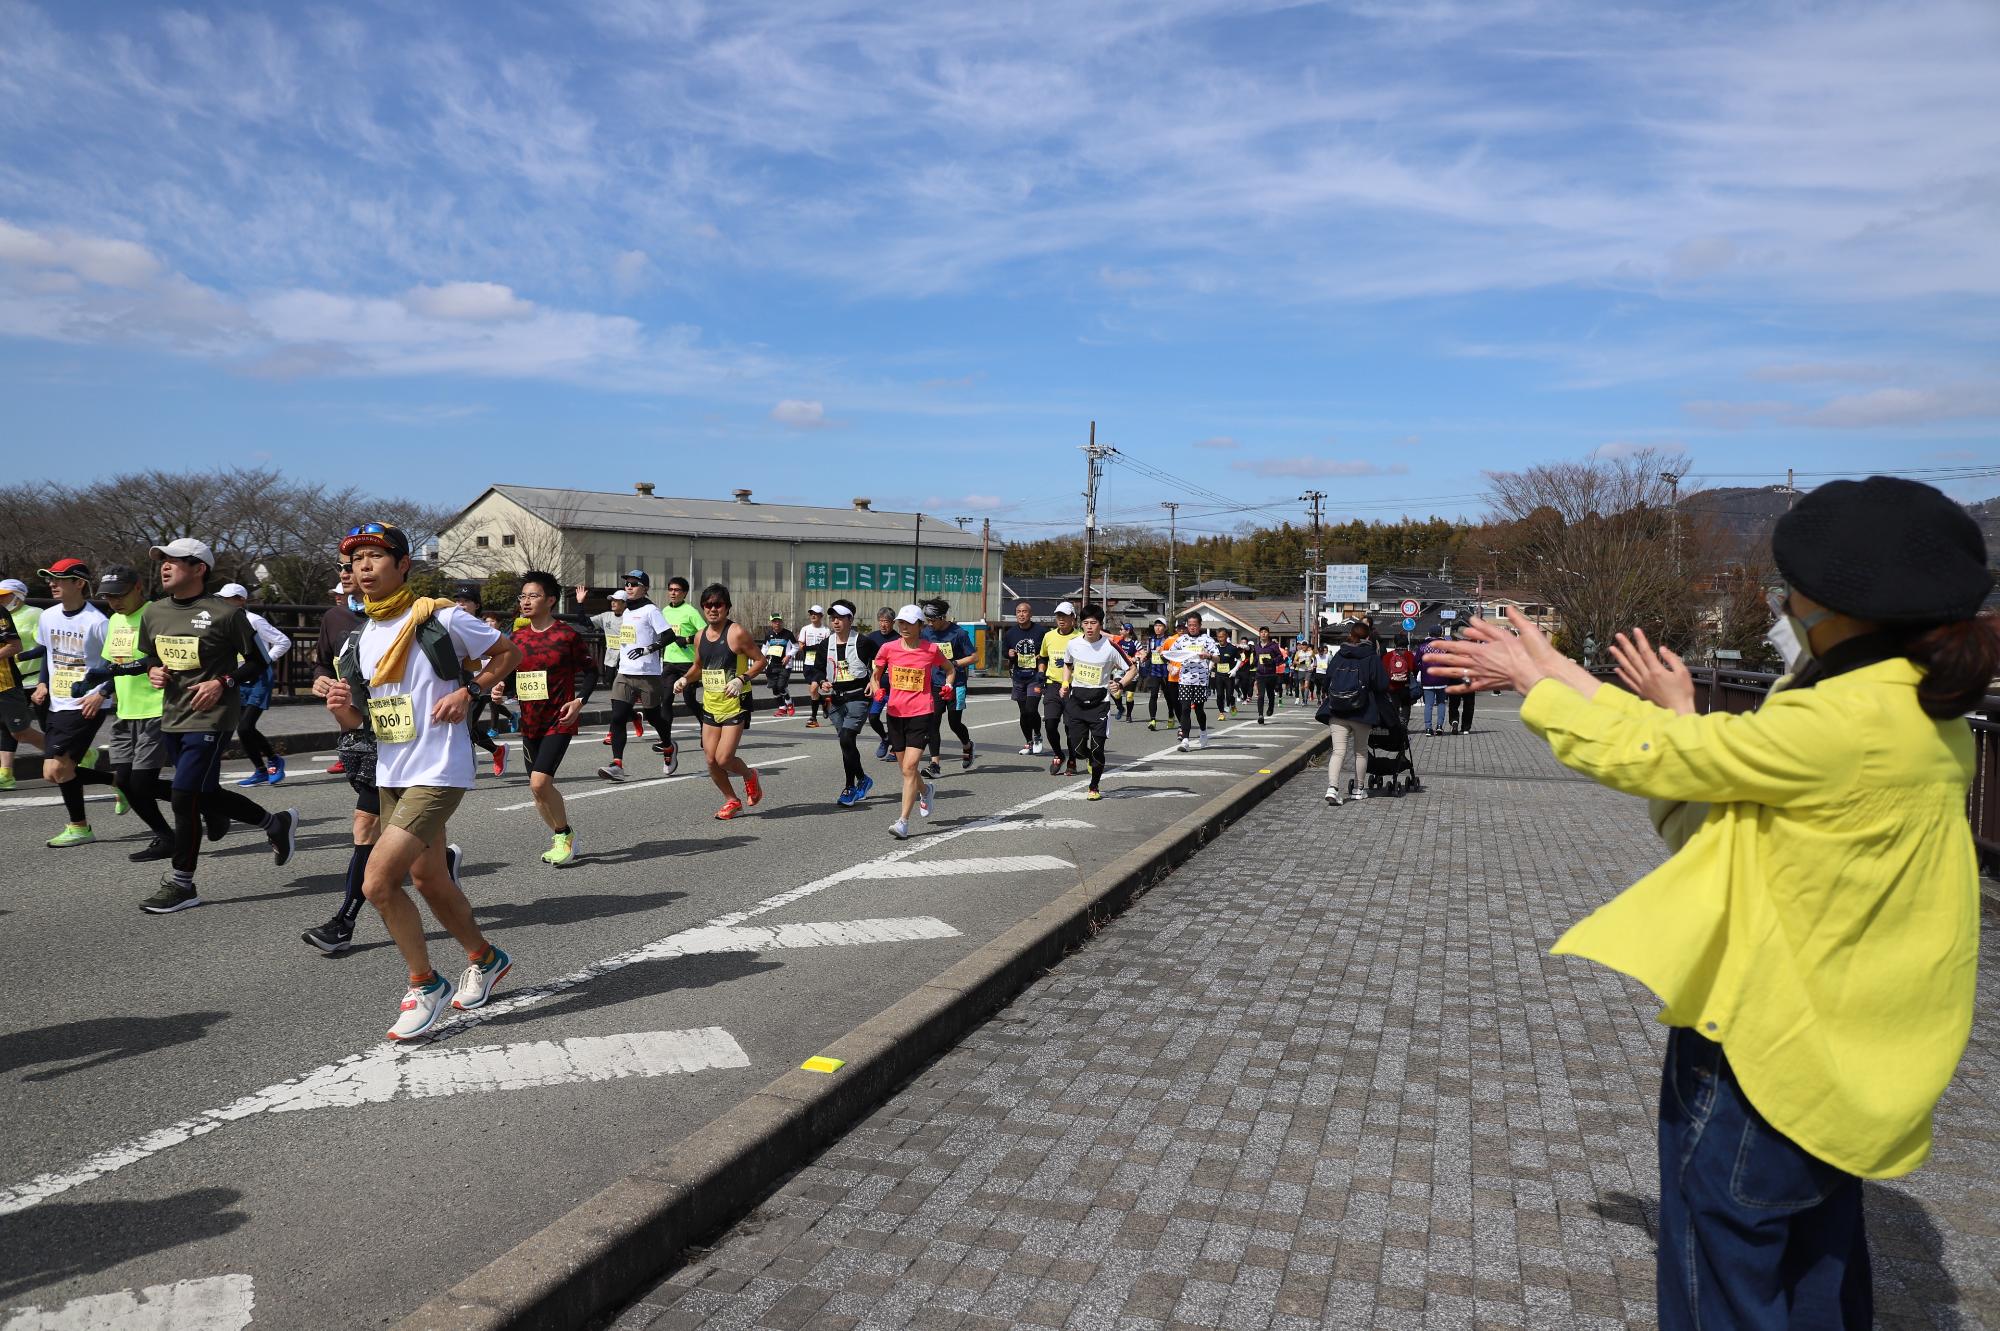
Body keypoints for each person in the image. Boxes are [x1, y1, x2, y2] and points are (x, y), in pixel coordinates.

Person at [1428, 476, 1994, 1331]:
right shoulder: (1916, 713)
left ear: (1835, 607)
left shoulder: (1841, 723)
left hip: (1767, 1052)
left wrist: (1536, 685)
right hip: (1845, 1066)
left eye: (1791, 589)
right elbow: (1700, 766)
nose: (1781, 604)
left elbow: (1660, 756)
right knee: (1818, 1274)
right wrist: (1573, 678)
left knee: (1724, 1284)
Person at [324, 521, 519, 1038]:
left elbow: (508, 653)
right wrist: (342, 707)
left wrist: (469, 693)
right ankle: (486, 957)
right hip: (392, 770)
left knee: (378, 882)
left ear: (403, 564)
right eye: (356, 560)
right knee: (428, 878)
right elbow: (362, 721)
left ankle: (425, 983)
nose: (364, 568)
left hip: (439, 768)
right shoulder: (361, 638)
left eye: (376, 557)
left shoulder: (440, 617)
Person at [136, 538, 298, 913]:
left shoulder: (225, 614)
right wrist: (153, 670)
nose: (164, 566)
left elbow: (258, 661)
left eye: (174, 561)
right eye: (162, 560)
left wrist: (222, 682)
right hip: (174, 714)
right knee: (201, 794)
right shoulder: (154, 612)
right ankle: (275, 823)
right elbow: (148, 656)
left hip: (214, 716)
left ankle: (182, 883)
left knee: (184, 796)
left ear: (198, 568)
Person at [491, 571, 596, 864]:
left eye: (533, 596)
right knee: (538, 790)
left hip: (559, 719)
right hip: (530, 721)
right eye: (522, 596)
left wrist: (579, 701)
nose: (525, 601)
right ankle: (563, 836)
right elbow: (512, 675)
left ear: (550, 600)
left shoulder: (566, 635)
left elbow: (591, 672)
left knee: (539, 783)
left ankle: (563, 835)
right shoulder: (517, 637)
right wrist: (501, 688)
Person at [303, 560, 380, 955]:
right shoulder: (335, 616)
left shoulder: (411, 615)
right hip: (355, 733)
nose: (349, 571)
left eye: (360, 563)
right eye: (343, 565)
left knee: (365, 823)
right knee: (417, 834)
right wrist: (319, 677)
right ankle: (439, 864)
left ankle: (344, 921)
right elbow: (322, 659)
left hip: (399, 736)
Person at [32, 558, 117, 848]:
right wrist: (43, 681)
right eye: (50, 579)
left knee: (59, 769)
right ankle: (120, 784)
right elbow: (48, 652)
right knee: (52, 773)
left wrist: (102, 692)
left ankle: (79, 827)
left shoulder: (98, 622)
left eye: (60, 579)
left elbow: (118, 664)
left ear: (79, 583)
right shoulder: (49, 616)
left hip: (85, 703)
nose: (52, 584)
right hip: (54, 701)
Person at [95, 565, 176, 859]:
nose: (114, 602)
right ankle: (176, 828)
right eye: (108, 596)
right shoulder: (115, 619)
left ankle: (174, 833)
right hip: (125, 712)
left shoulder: (157, 614)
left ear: (138, 587)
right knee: (127, 783)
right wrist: (100, 691)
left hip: (157, 707)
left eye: (120, 595)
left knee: (142, 782)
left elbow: (156, 659)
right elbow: (111, 665)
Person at [671, 583, 768, 819]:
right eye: (708, 605)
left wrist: (741, 679)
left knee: (724, 758)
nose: (713, 609)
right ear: (703, 608)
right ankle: (732, 800)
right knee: (711, 760)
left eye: (718, 604)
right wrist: (684, 679)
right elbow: (697, 667)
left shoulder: (736, 633)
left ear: (727, 607)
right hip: (711, 704)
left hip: (735, 703)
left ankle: (749, 775)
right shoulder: (700, 636)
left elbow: (760, 661)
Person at [868, 604, 954, 839]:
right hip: (895, 714)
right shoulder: (888, 648)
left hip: (921, 713)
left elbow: (949, 669)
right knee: (906, 770)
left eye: (909, 623)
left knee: (909, 768)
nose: (904, 627)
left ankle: (903, 822)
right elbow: (875, 675)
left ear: (920, 625)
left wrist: (948, 685)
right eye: (901, 623)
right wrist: (877, 690)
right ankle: (926, 791)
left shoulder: (930, 649)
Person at [214, 583, 295, 787]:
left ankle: (273, 760)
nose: (225, 602)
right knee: (243, 727)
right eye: (222, 598)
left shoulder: (254, 620)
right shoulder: (223, 621)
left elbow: (283, 641)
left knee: (245, 727)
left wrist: (265, 660)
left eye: (229, 598)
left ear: (242, 600)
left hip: (258, 678)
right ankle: (260, 770)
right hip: (239, 677)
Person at [596, 570, 673, 781]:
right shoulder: (626, 611)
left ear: (645, 588)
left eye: (634, 584)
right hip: (625, 672)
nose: (629, 587)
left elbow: (669, 635)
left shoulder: (651, 610)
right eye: (627, 584)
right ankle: (617, 764)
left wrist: (647, 649)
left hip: (648, 674)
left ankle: (668, 746)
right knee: (618, 717)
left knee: (653, 717)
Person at [1060, 605, 1138, 800]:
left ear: (1100, 625)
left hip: (1099, 704)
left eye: (1093, 623)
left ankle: (1094, 787)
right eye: (1085, 623)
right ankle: (1086, 758)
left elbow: (1132, 669)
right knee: (1077, 748)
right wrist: (1064, 683)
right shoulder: (1073, 644)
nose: (1089, 627)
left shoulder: (1110, 647)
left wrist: (1120, 684)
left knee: (1097, 748)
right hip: (1076, 702)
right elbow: (1068, 665)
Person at [1320, 620, 1394, 806]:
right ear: (1368, 637)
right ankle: (1358, 790)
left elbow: (1327, 678)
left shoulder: (1340, 654)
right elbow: (1382, 684)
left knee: (1338, 752)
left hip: (1337, 709)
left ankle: (1332, 788)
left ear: (1350, 635)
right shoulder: (1371, 656)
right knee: (1361, 751)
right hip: (1363, 710)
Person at [822, 600, 880, 806]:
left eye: (839, 618)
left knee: (847, 738)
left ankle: (850, 787)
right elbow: (816, 668)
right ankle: (863, 779)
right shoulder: (826, 643)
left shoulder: (863, 642)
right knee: (847, 744)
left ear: (850, 619)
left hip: (858, 697)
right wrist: (822, 681)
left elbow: (880, 661)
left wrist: (875, 679)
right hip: (836, 700)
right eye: (832, 618)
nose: (835, 622)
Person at [652, 575, 704, 774]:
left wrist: (689, 639)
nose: (673, 593)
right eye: (671, 589)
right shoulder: (663, 611)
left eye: (677, 590)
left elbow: (705, 632)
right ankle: (665, 740)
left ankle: (704, 728)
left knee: (690, 700)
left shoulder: (690, 611)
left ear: (684, 593)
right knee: (665, 700)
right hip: (669, 662)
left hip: (688, 664)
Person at [921, 598, 975, 776]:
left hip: (955, 684)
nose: (930, 624)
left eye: (932, 620)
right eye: (927, 620)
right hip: (934, 684)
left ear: (942, 617)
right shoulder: (927, 633)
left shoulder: (958, 633)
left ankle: (967, 745)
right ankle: (935, 764)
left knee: (954, 722)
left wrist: (954, 664)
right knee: (932, 722)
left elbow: (974, 657)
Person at [0, 588, 47, 793]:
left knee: (20, 732)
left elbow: (15, 646)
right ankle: (6, 775)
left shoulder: (1, 612)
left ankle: (72, 755)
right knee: (7, 730)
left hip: (6, 683)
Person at [1161, 612, 1218, 751]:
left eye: (1195, 625)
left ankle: (1203, 732)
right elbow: (1168, 654)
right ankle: (1185, 740)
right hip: (1185, 678)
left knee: (1199, 709)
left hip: (1200, 679)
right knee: (1185, 709)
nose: (1192, 628)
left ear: (1200, 625)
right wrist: (1169, 664)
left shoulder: (1207, 639)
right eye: (1190, 625)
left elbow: (1218, 658)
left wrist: (1208, 655)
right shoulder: (1182, 640)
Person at [1035, 602, 1081, 774]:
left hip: (1073, 687)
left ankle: (1073, 760)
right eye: (1058, 616)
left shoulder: (1080, 637)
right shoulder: (1049, 636)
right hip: (1052, 685)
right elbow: (1043, 657)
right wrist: (1041, 672)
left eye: (1065, 616)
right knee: (1050, 723)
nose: (1061, 619)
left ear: (1073, 618)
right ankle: (1058, 754)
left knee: (1070, 727)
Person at [999, 601, 1044, 756]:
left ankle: (1037, 735)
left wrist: (1041, 656)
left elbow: (1047, 651)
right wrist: (1009, 653)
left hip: (1035, 676)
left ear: (1030, 614)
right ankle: (1029, 742)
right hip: (1018, 676)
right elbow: (1004, 651)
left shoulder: (1040, 631)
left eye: (1024, 611)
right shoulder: (1011, 633)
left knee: (1032, 709)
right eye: (1018, 611)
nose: (1021, 614)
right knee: (1023, 712)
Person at [864, 606, 898, 759]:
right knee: (873, 717)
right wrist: (869, 681)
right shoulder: (872, 638)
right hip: (878, 687)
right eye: (881, 621)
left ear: (893, 623)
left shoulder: (898, 639)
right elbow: (866, 661)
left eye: (887, 621)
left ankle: (895, 748)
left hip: (895, 688)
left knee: (894, 720)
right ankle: (885, 738)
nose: (884, 624)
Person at [797, 604, 831, 727]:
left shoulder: (826, 630)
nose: (813, 615)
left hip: (820, 664)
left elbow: (826, 648)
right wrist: (813, 648)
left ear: (821, 616)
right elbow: (801, 646)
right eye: (811, 613)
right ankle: (824, 702)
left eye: (815, 613)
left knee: (813, 689)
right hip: (808, 663)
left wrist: (813, 648)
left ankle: (813, 718)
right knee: (813, 692)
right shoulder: (805, 629)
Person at [1138, 618, 1171, 730]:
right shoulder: (1151, 639)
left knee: (1168, 697)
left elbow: (1172, 655)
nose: (1157, 628)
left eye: (1160, 626)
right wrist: (1145, 657)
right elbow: (1149, 653)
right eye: (1156, 625)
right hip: (1154, 671)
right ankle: (1152, 720)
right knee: (1153, 695)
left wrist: (1163, 653)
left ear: (1165, 628)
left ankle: (1171, 715)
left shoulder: (1168, 640)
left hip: (1166, 672)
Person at [1445, 623, 1478, 735]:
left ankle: (1454, 721)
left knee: (1453, 704)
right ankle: (1465, 728)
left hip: (1454, 679)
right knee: (1469, 704)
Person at [1416, 632, 1451, 735]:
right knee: (1441, 703)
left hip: (1427, 679)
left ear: (1429, 634)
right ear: (1441, 633)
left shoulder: (1422, 647)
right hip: (1442, 679)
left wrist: (1423, 669)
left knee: (1428, 705)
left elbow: (1416, 661)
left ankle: (1428, 728)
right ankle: (1439, 726)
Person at [1382, 633, 1417, 730]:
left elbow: (1384, 670)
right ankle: (1404, 724)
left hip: (1392, 686)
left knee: (1394, 706)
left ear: (1395, 643)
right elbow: (1413, 668)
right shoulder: (1409, 655)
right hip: (1405, 685)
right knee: (1406, 705)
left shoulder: (1388, 656)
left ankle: (1395, 725)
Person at [1251, 625, 1283, 723]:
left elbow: (1280, 658)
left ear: (1268, 634)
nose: (1263, 634)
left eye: (1265, 632)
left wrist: (1271, 661)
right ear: (1259, 634)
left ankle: (1271, 707)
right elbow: (1256, 659)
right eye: (1261, 632)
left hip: (1271, 674)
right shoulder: (1257, 647)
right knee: (1260, 695)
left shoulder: (1273, 646)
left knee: (1270, 694)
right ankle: (1260, 715)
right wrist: (1253, 665)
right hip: (1260, 675)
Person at [1211, 627, 1239, 716]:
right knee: (1219, 695)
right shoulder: (1215, 648)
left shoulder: (1232, 648)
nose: (1220, 639)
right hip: (1218, 675)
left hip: (1229, 676)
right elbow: (1212, 659)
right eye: (1218, 637)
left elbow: (1240, 660)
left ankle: (1232, 703)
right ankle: (1221, 713)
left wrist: (1234, 670)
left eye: (1222, 637)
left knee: (1229, 695)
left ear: (1226, 636)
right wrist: (1209, 669)